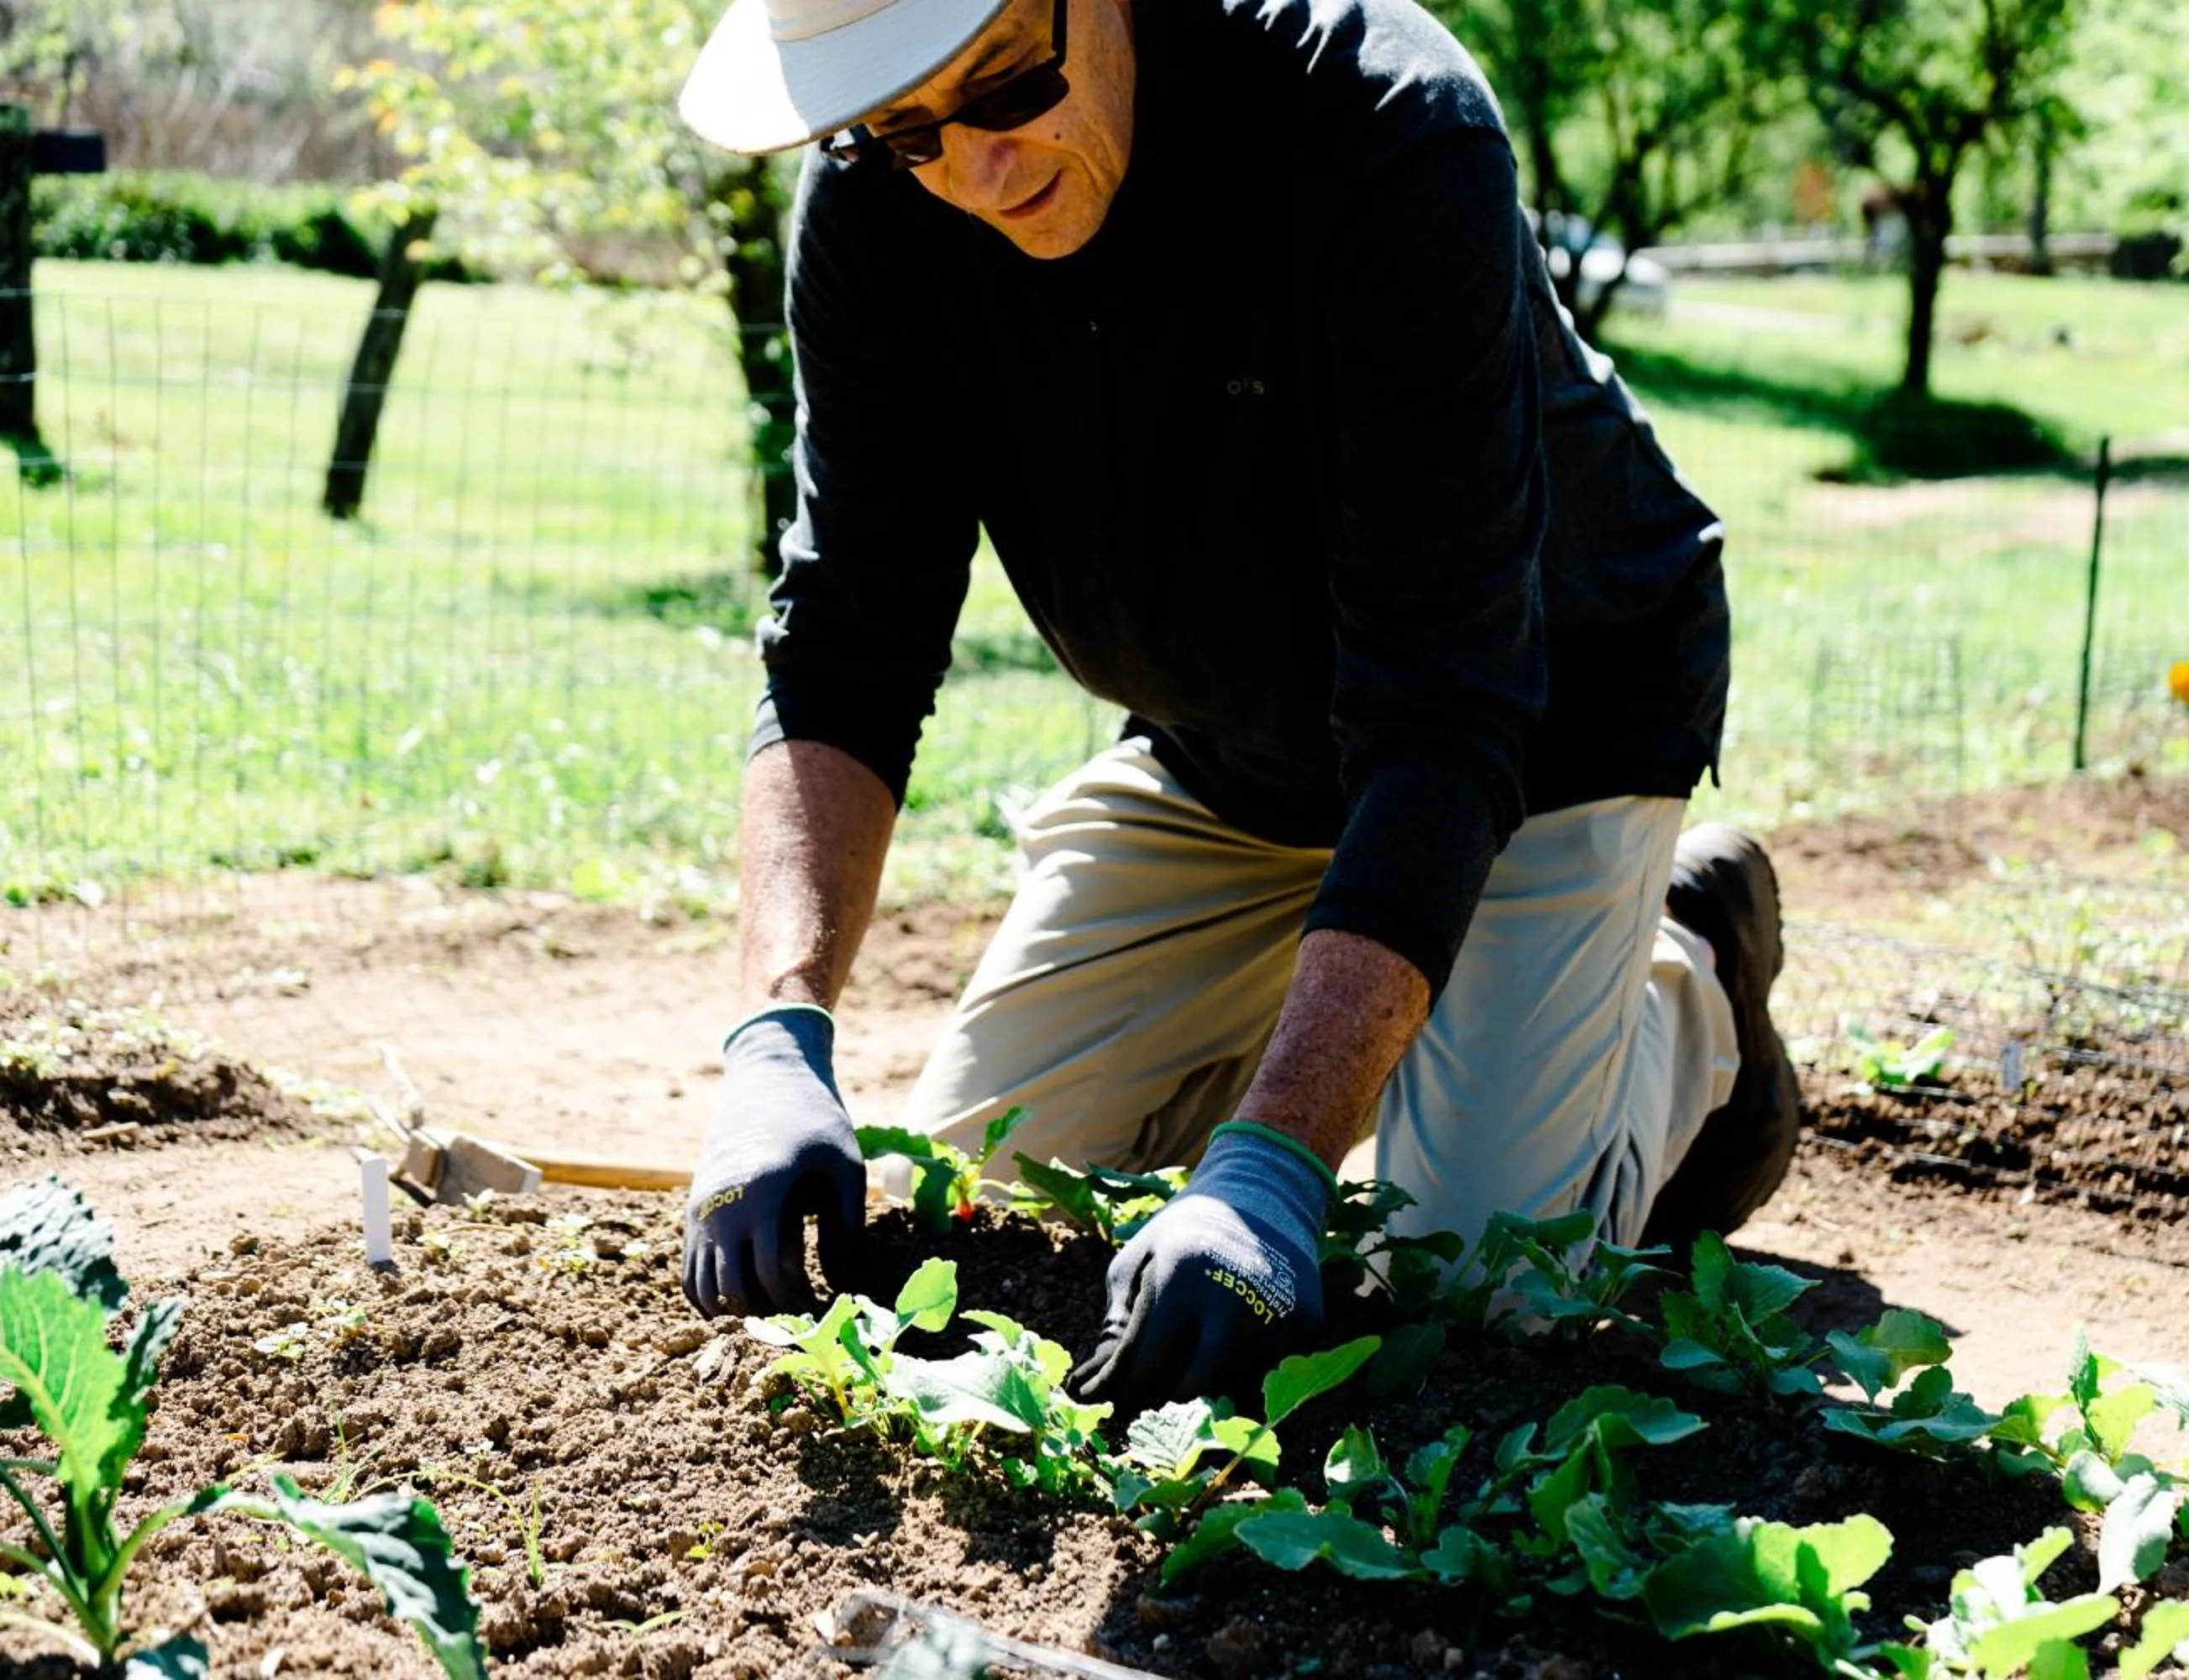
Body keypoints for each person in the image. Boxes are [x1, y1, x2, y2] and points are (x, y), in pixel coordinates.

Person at [672, 0, 1801, 1414]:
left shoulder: (1382, 124)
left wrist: (1273, 1161)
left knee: (1466, 1289)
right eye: (904, 127)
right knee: (988, 1189)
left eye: (1008, 86)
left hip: (1538, 725)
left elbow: (1444, 703)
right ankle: (1381, 1021)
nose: (977, 169)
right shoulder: (877, 203)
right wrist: (777, 1038)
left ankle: (1685, 978)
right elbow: (847, 640)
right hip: (1234, 750)